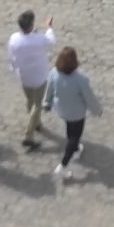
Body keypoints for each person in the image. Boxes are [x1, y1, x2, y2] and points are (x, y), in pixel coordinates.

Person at [42, 45, 100, 180]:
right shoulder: (81, 79)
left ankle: (74, 150)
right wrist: (97, 110)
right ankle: (63, 165)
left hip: (62, 109)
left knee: (70, 129)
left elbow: (49, 90)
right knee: (75, 137)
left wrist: (46, 103)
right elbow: (89, 97)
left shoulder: (54, 73)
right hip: (77, 112)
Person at [7, 10, 57, 149]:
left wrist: (13, 69)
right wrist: (49, 27)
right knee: (38, 104)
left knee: (30, 100)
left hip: (24, 75)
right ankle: (29, 135)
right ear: (31, 25)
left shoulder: (14, 38)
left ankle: (37, 122)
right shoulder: (39, 39)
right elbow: (51, 41)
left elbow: (11, 57)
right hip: (39, 76)